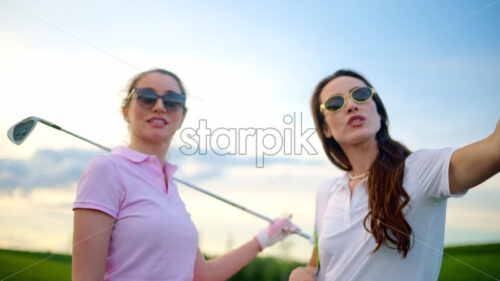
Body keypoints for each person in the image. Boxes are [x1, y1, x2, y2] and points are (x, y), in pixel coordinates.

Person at [72, 68, 298, 281]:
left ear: (181, 117)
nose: (159, 106)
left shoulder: (171, 190)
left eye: (172, 101)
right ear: (126, 111)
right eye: (146, 97)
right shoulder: (106, 169)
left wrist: (265, 238)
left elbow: (204, 276)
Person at [289, 69, 500, 281]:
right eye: (335, 103)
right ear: (325, 129)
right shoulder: (326, 191)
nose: (351, 105)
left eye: (360, 94)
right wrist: (303, 273)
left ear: (378, 112)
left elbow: (495, 149)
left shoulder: (419, 170)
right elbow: (317, 265)